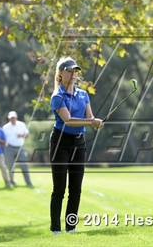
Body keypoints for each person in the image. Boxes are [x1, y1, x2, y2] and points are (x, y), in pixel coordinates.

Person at [49, 56, 103, 235]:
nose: (73, 74)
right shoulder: (57, 96)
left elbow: (89, 116)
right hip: (60, 142)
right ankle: (56, 229)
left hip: (79, 142)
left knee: (76, 188)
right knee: (59, 188)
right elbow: (68, 120)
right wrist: (91, 122)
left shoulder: (83, 94)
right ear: (60, 74)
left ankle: (70, 228)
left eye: (75, 71)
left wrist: (95, 122)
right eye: (69, 70)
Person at [3, 111, 34, 188]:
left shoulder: (21, 124)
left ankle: (28, 183)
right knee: (10, 166)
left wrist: (23, 135)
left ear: (16, 117)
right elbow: (3, 138)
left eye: (14, 118)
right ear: (9, 118)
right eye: (11, 118)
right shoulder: (5, 127)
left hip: (20, 147)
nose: (12, 119)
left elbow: (27, 134)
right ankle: (11, 182)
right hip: (9, 148)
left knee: (24, 166)